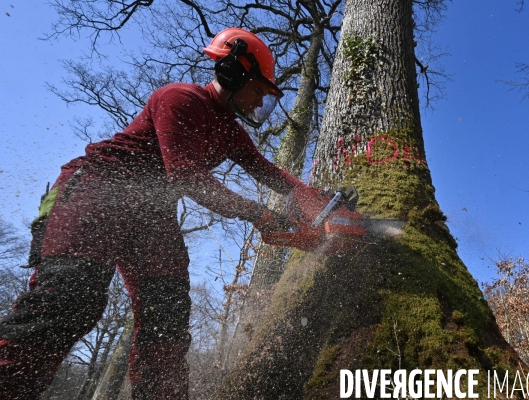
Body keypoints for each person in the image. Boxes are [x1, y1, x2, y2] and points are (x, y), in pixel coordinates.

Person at [0, 28, 312, 399]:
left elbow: (267, 171)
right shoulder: (178, 98)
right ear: (234, 72)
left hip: (151, 213)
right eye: (258, 91)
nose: (258, 101)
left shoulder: (229, 130)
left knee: (168, 313)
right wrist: (259, 215)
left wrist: (311, 197)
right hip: (96, 191)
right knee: (71, 298)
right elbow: (186, 175)